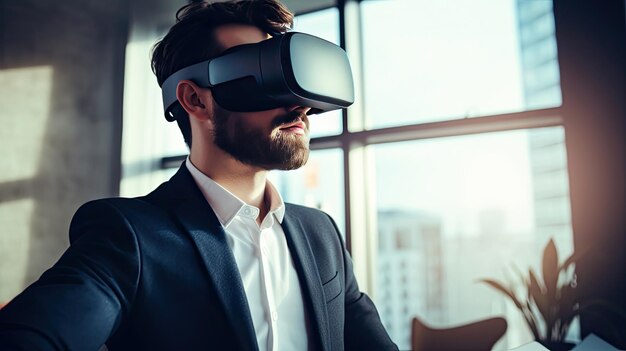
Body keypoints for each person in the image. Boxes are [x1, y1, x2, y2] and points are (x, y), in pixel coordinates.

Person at [0, 1, 397, 350]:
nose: (298, 105)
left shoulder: (320, 233)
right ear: (194, 99)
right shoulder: (128, 236)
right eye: (261, 73)